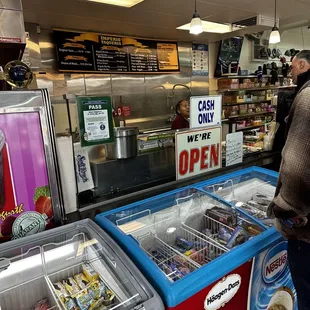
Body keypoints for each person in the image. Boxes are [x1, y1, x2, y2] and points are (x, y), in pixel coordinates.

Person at [267, 50, 310, 310]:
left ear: (303, 64)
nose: (290, 73)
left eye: (292, 68)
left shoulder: (307, 97)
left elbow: (297, 165)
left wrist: (285, 215)